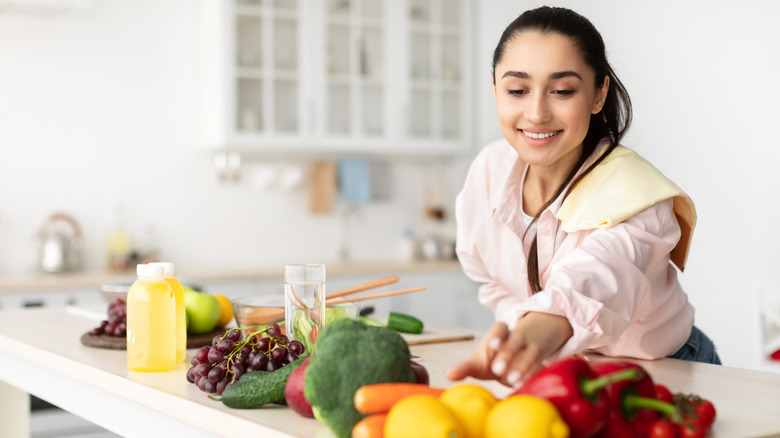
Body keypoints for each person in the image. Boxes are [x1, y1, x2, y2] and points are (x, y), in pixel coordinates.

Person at [447, 6, 720, 388]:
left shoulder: (637, 193)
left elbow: (600, 278)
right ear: (495, 89)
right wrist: (518, 338)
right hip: (567, 373)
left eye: (562, 91)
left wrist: (537, 332)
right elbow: (492, 280)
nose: (537, 112)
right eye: (517, 90)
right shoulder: (489, 169)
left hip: (665, 372)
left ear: (597, 95)